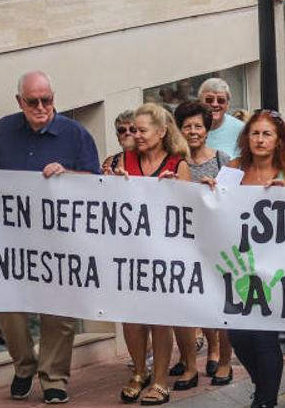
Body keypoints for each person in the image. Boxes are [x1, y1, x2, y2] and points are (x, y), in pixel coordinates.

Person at [0, 71, 100, 405]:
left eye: (48, 99)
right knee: (8, 306)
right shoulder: (1, 130)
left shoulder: (76, 134)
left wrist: (68, 175)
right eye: (33, 101)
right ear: (19, 102)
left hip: (60, 240)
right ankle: (24, 366)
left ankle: (54, 377)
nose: (41, 107)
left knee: (59, 312)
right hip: (12, 242)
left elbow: (97, 186)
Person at [107, 104, 193, 406]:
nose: (137, 135)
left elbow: (189, 212)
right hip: (128, 254)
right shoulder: (118, 161)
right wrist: (112, 186)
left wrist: (175, 192)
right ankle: (139, 372)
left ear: (161, 132)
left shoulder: (177, 164)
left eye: (142, 130)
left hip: (163, 255)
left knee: (160, 318)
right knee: (131, 317)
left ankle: (159, 380)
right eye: (133, 130)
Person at [219, 109, 285, 408]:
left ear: (279, 139)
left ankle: (266, 400)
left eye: (267, 133)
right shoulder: (233, 169)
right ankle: (263, 384)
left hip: (274, 270)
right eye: (255, 133)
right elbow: (216, 209)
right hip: (239, 267)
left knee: (264, 336)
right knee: (239, 334)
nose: (260, 139)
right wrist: (208, 191)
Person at [174, 102, 235, 387]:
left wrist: (216, 191)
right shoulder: (174, 162)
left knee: (221, 304)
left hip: (218, 244)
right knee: (189, 305)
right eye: (187, 126)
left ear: (207, 129)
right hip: (185, 243)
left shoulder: (223, 160)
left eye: (198, 125)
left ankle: (223, 360)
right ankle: (189, 363)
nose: (193, 131)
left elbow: (235, 202)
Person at [198, 78, 244, 156]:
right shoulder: (190, 128)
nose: (215, 104)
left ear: (227, 104)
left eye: (221, 100)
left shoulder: (241, 129)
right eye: (209, 100)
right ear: (199, 102)